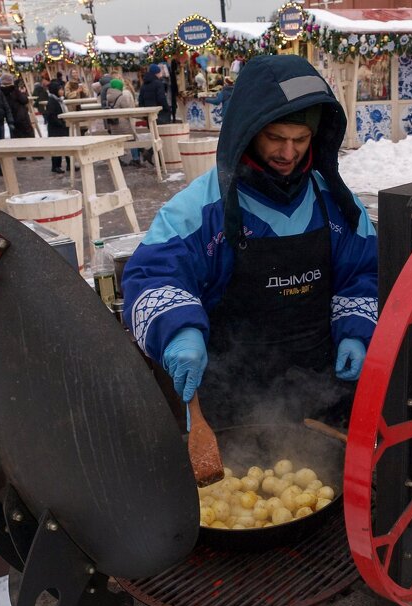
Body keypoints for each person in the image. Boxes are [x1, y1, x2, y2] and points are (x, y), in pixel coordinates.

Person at [121, 54, 378, 427]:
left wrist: (356, 328)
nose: (288, 153)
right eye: (276, 137)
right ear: (248, 129)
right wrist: (179, 332)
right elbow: (153, 275)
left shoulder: (336, 205)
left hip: (322, 395)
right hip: (231, 404)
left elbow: (363, 273)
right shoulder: (199, 209)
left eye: (301, 139)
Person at [104, 77, 143, 167]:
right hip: (124, 124)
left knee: (117, 142)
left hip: (114, 124)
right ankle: (136, 159)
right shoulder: (121, 96)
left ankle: (117, 160)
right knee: (132, 140)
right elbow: (129, 110)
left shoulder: (107, 96)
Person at [43, 79, 71, 175]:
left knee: (67, 146)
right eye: (60, 90)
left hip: (62, 127)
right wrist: (61, 123)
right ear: (55, 90)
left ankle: (69, 164)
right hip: (56, 129)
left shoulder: (59, 100)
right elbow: (51, 116)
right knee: (57, 148)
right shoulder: (52, 101)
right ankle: (55, 166)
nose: (62, 91)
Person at [1, 73, 35, 145]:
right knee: (29, 138)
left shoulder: (1, 92)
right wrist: (22, 93)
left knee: (16, 141)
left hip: (11, 119)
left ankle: (20, 156)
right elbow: (24, 100)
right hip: (22, 117)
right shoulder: (14, 90)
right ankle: (35, 155)